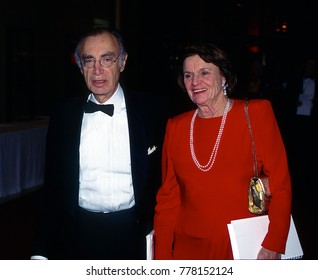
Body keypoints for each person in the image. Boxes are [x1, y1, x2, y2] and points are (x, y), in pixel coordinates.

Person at [31, 27, 169, 260]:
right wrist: (40, 252)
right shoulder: (63, 116)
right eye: (89, 60)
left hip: (135, 235)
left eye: (107, 59)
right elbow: (53, 188)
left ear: (123, 62)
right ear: (79, 65)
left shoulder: (154, 112)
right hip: (77, 236)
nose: (97, 70)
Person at [153, 43, 292, 260]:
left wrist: (274, 243)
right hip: (188, 248)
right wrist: (161, 257)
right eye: (188, 75)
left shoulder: (256, 113)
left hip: (243, 245)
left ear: (224, 77)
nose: (195, 82)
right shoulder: (176, 126)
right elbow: (168, 200)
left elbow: (281, 183)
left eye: (204, 72)